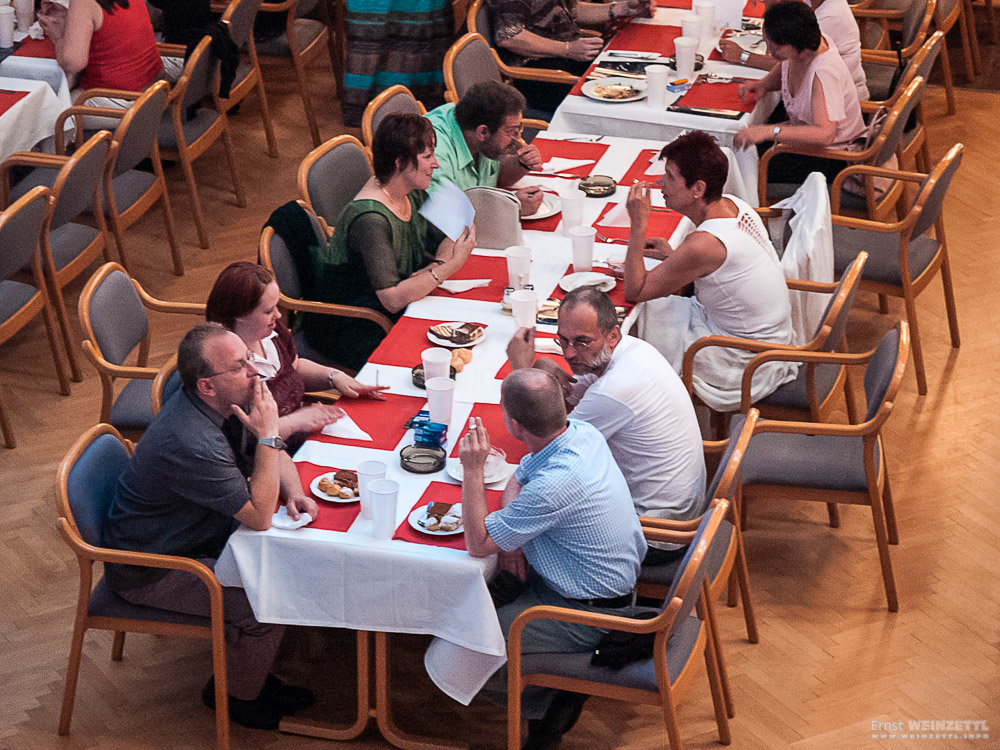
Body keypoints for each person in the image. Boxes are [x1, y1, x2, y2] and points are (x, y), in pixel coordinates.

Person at [102, 322, 319, 730]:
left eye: (249, 359)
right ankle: (238, 700)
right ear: (207, 386)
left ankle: (248, 673)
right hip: (153, 567)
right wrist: (271, 435)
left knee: (286, 574)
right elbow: (258, 516)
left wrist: (292, 490)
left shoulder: (228, 402)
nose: (255, 370)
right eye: (240, 366)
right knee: (267, 606)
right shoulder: (191, 440)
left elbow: (268, 458)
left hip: (201, 535)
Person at [459, 368, 646, 748]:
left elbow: (477, 542)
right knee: (479, 603)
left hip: (588, 611)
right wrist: (513, 540)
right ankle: (556, 689)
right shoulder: (582, 434)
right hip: (600, 585)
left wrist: (472, 469)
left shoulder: (553, 487)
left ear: (513, 424)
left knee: (468, 646)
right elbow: (519, 480)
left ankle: (555, 697)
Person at [505, 287, 705, 565]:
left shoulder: (615, 389)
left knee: (520, 526)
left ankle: (531, 598)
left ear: (612, 334)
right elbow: (572, 399)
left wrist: (521, 371)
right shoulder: (632, 351)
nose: (570, 353)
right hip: (678, 514)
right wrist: (544, 372)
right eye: (563, 340)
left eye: (582, 342)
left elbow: (545, 440)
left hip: (656, 534)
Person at [624, 130, 796, 412]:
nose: (659, 182)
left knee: (633, 331)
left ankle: (648, 418)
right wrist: (673, 257)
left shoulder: (703, 244)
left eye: (669, 176)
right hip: (769, 340)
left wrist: (637, 227)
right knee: (655, 312)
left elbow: (636, 291)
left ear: (698, 189)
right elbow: (726, 269)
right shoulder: (733, 205)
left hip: (745, 360)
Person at [299, 113, 476, 371]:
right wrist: (450, 265)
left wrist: (437, 264)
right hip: (359, 325)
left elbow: (452, 233)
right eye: (427, 157)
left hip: (400, 307)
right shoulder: (372, 219)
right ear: (400, 163)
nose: (436, 164)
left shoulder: (406, 190)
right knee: (445, 363)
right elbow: (392, 299)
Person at [205, 263, 388, 452]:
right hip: (272, 455)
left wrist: (334, 377)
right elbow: (252, 443)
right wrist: (296, 421)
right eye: (268, 311)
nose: (277, 315)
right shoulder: (226, 368)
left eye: (276, 306)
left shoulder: (272, 332)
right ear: (240, 314)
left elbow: (295, 366)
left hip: (303, 438)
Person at [733, 0, 866, 186]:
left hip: (833, 157)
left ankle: (757, 210)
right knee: (742, 150)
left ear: (799, 46)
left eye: (776, 48)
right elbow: (784, 65)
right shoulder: (804, 47)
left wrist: (770, 131)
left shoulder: (824, 71)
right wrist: (764, 84)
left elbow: (825, 134)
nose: (771, 53)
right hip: (807, 144)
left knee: (745, 170)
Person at [486, 0, 653, 116]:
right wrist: (567, 49)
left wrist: (621, 8)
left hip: (568, 57)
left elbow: (572, 10)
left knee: (641, 73)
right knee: (629, 96)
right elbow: (509, 37)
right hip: (537, 73)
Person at [425, 80, 546, 217]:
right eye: (511, 131)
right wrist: (511, 208)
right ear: (482, 132)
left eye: (519, 129)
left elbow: (494, 179)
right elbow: (446, 218)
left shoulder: (478, 134)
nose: (517, 138)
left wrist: (521, 164)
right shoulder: (434, 153)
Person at [720, 0, 868, 101]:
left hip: (840, 99)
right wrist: (770, 4)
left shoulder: (831, 15)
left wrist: (743, 56)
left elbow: (791, 59)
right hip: (819, 94)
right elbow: (779, 35)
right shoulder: (815, 2)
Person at [37, 0, 163, 92]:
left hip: (120, 98)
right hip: (154, 85)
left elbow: (72, 64)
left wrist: (58, 37)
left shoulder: (83, 3)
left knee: (41, 113)